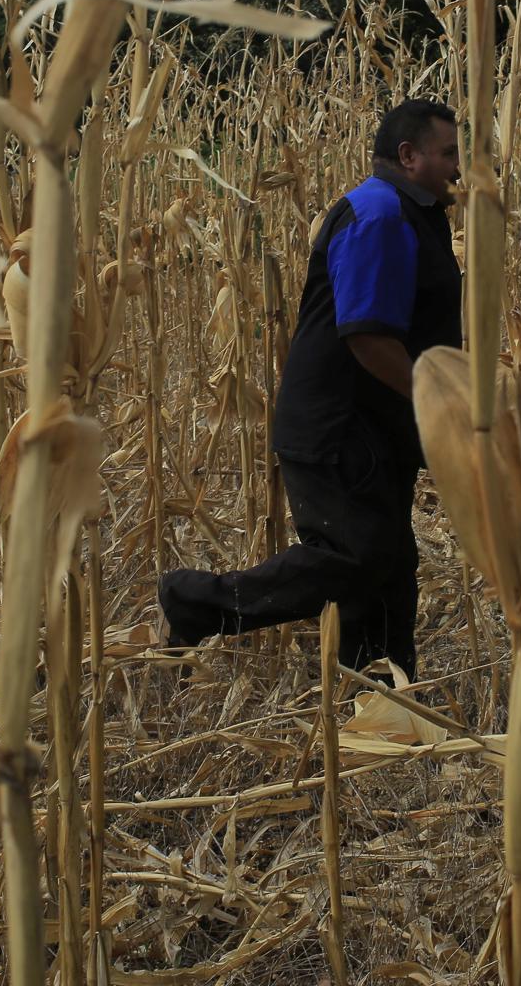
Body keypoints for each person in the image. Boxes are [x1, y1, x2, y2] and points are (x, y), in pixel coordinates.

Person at [157, 99, 463, 680]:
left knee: (388, 563)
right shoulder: (379, 215)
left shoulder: (413, 213)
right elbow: (368, 336)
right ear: (408, 155)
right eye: (448, 153)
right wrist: (440, 398)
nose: (458, 166)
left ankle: (381, 693)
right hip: (338, 427)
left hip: (375, 426)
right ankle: (195, 602)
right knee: (357, 557)